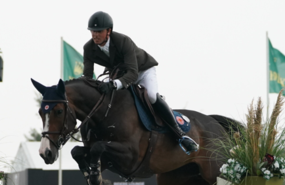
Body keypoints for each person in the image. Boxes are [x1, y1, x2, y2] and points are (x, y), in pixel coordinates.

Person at [82, 11, 198, 154]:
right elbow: (87, 78)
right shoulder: (88, 48)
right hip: (119, 75)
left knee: (151, 96)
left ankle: (180, 135)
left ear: (109, 31)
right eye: (92, 31)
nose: (95, 35)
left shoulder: (123, 41)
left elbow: (133, 73)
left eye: (99, 31)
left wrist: (113, 84)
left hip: (142, 71)